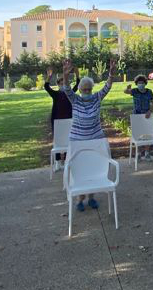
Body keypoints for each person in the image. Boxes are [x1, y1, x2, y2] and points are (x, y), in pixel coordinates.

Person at [61, 57, 116, 212]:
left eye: (88, 89)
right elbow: (66, 88)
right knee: (79, 169)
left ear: (91, 89)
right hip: (78, 141)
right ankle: (80, 198)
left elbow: (107, 87)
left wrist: (111, 74)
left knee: (93, 168)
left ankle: (91, 198)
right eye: (84, 89)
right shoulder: (75, 100)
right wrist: (66, 75)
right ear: (79, 90)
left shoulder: (97, 98)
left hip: (95, 139)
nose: (86, 92)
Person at [44, 66, 80, 170]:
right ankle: (58, 162)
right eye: (60, 83)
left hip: (69, 120)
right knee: (58, 141)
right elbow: (46, 87)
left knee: (69, 139)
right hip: (57, 120)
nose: (62, 85)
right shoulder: (55, 94)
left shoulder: (70, 93)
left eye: (64, 83)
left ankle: (68, 160)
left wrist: (77, 75)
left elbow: (78, 85)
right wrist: (49, 77)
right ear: (58, 85)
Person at [124, 74, 153, 161]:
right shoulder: (134, 91)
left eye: (142, 82)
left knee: (148, 135)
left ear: (145, 83)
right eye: (139, 83)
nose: (141, 84)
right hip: (136, 116)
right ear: (136, 83)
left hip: (147, 116)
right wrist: (127, 88)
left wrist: (150, 111)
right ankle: (138, 154)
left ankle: (147, 153)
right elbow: (126, 92)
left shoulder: (149, 92)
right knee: (137, 135)